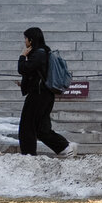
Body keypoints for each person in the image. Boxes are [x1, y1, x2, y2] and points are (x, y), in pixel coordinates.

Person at [16, 26, 69, 157]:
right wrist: (23, 83)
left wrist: (22, 56)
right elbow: (36, 75)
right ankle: (65, 147)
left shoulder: (39, 53)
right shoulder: (43, 52)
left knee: (27, 126)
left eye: (26, 38)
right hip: (44, 95)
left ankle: (28, 155)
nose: (25, 41)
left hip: (38, 95)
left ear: (31, 40)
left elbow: (23, 69)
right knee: (42, 129)